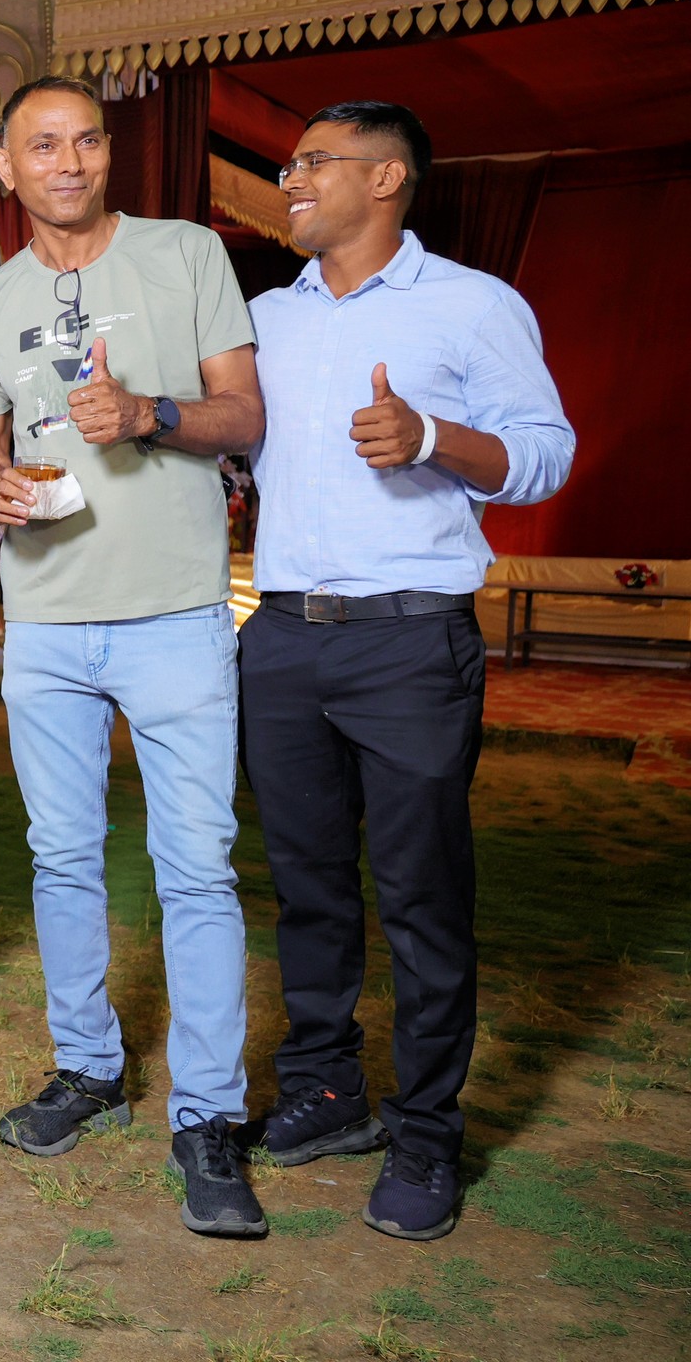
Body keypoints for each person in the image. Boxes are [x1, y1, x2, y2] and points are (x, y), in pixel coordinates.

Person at [241, 100, 572, 1241]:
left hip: (410, 641)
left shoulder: (474, 305)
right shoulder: (264, 320)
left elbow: (547, 453)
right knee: (307, 886)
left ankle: (427, 1132)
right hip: (284, 636)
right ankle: (328, 1093)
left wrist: (432, 438)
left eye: (311, 162)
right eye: (289, 164)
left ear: (386, 179)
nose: (289, 180)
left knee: (424, 897)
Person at [0, 75, 268, 1239]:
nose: (70, 161)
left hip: (176, 614)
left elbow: (245, 414)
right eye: (42, 145)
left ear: (107, 152)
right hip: (45, 620)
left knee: (196, 869)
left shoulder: (185, 255)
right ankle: (87, 1068)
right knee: (63, 859)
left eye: (86, 139)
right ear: (7, 166)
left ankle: (209, 1113)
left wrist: (150, 415)